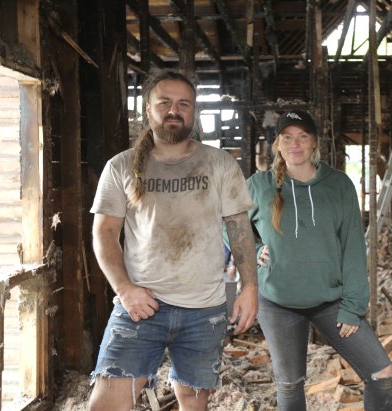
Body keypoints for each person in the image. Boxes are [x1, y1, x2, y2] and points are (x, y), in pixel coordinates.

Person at [88, 69, 258, 411]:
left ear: (193, 112)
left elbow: (239, 230)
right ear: (147, 108)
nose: (174, 110)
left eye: (184, 103)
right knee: (104, 406)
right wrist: (124, 289)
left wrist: (249, 287)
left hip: (204, 312)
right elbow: (104, 234)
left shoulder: (219, 163)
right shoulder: (120, 166)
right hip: (139, 307)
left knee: (193, 405)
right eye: (164, 101)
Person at [245, 110, 392, 410]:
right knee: (289, 384)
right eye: (287, 137)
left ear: (314, 143)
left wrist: (353, 306)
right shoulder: (259, 185)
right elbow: (229, 225)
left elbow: (353, 247)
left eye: (302, 137)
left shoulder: (338, 185)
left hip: (331, 301)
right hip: (277, 302)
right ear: (277, 144)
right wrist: (253, 246)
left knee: (381, 372)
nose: (295, 144)